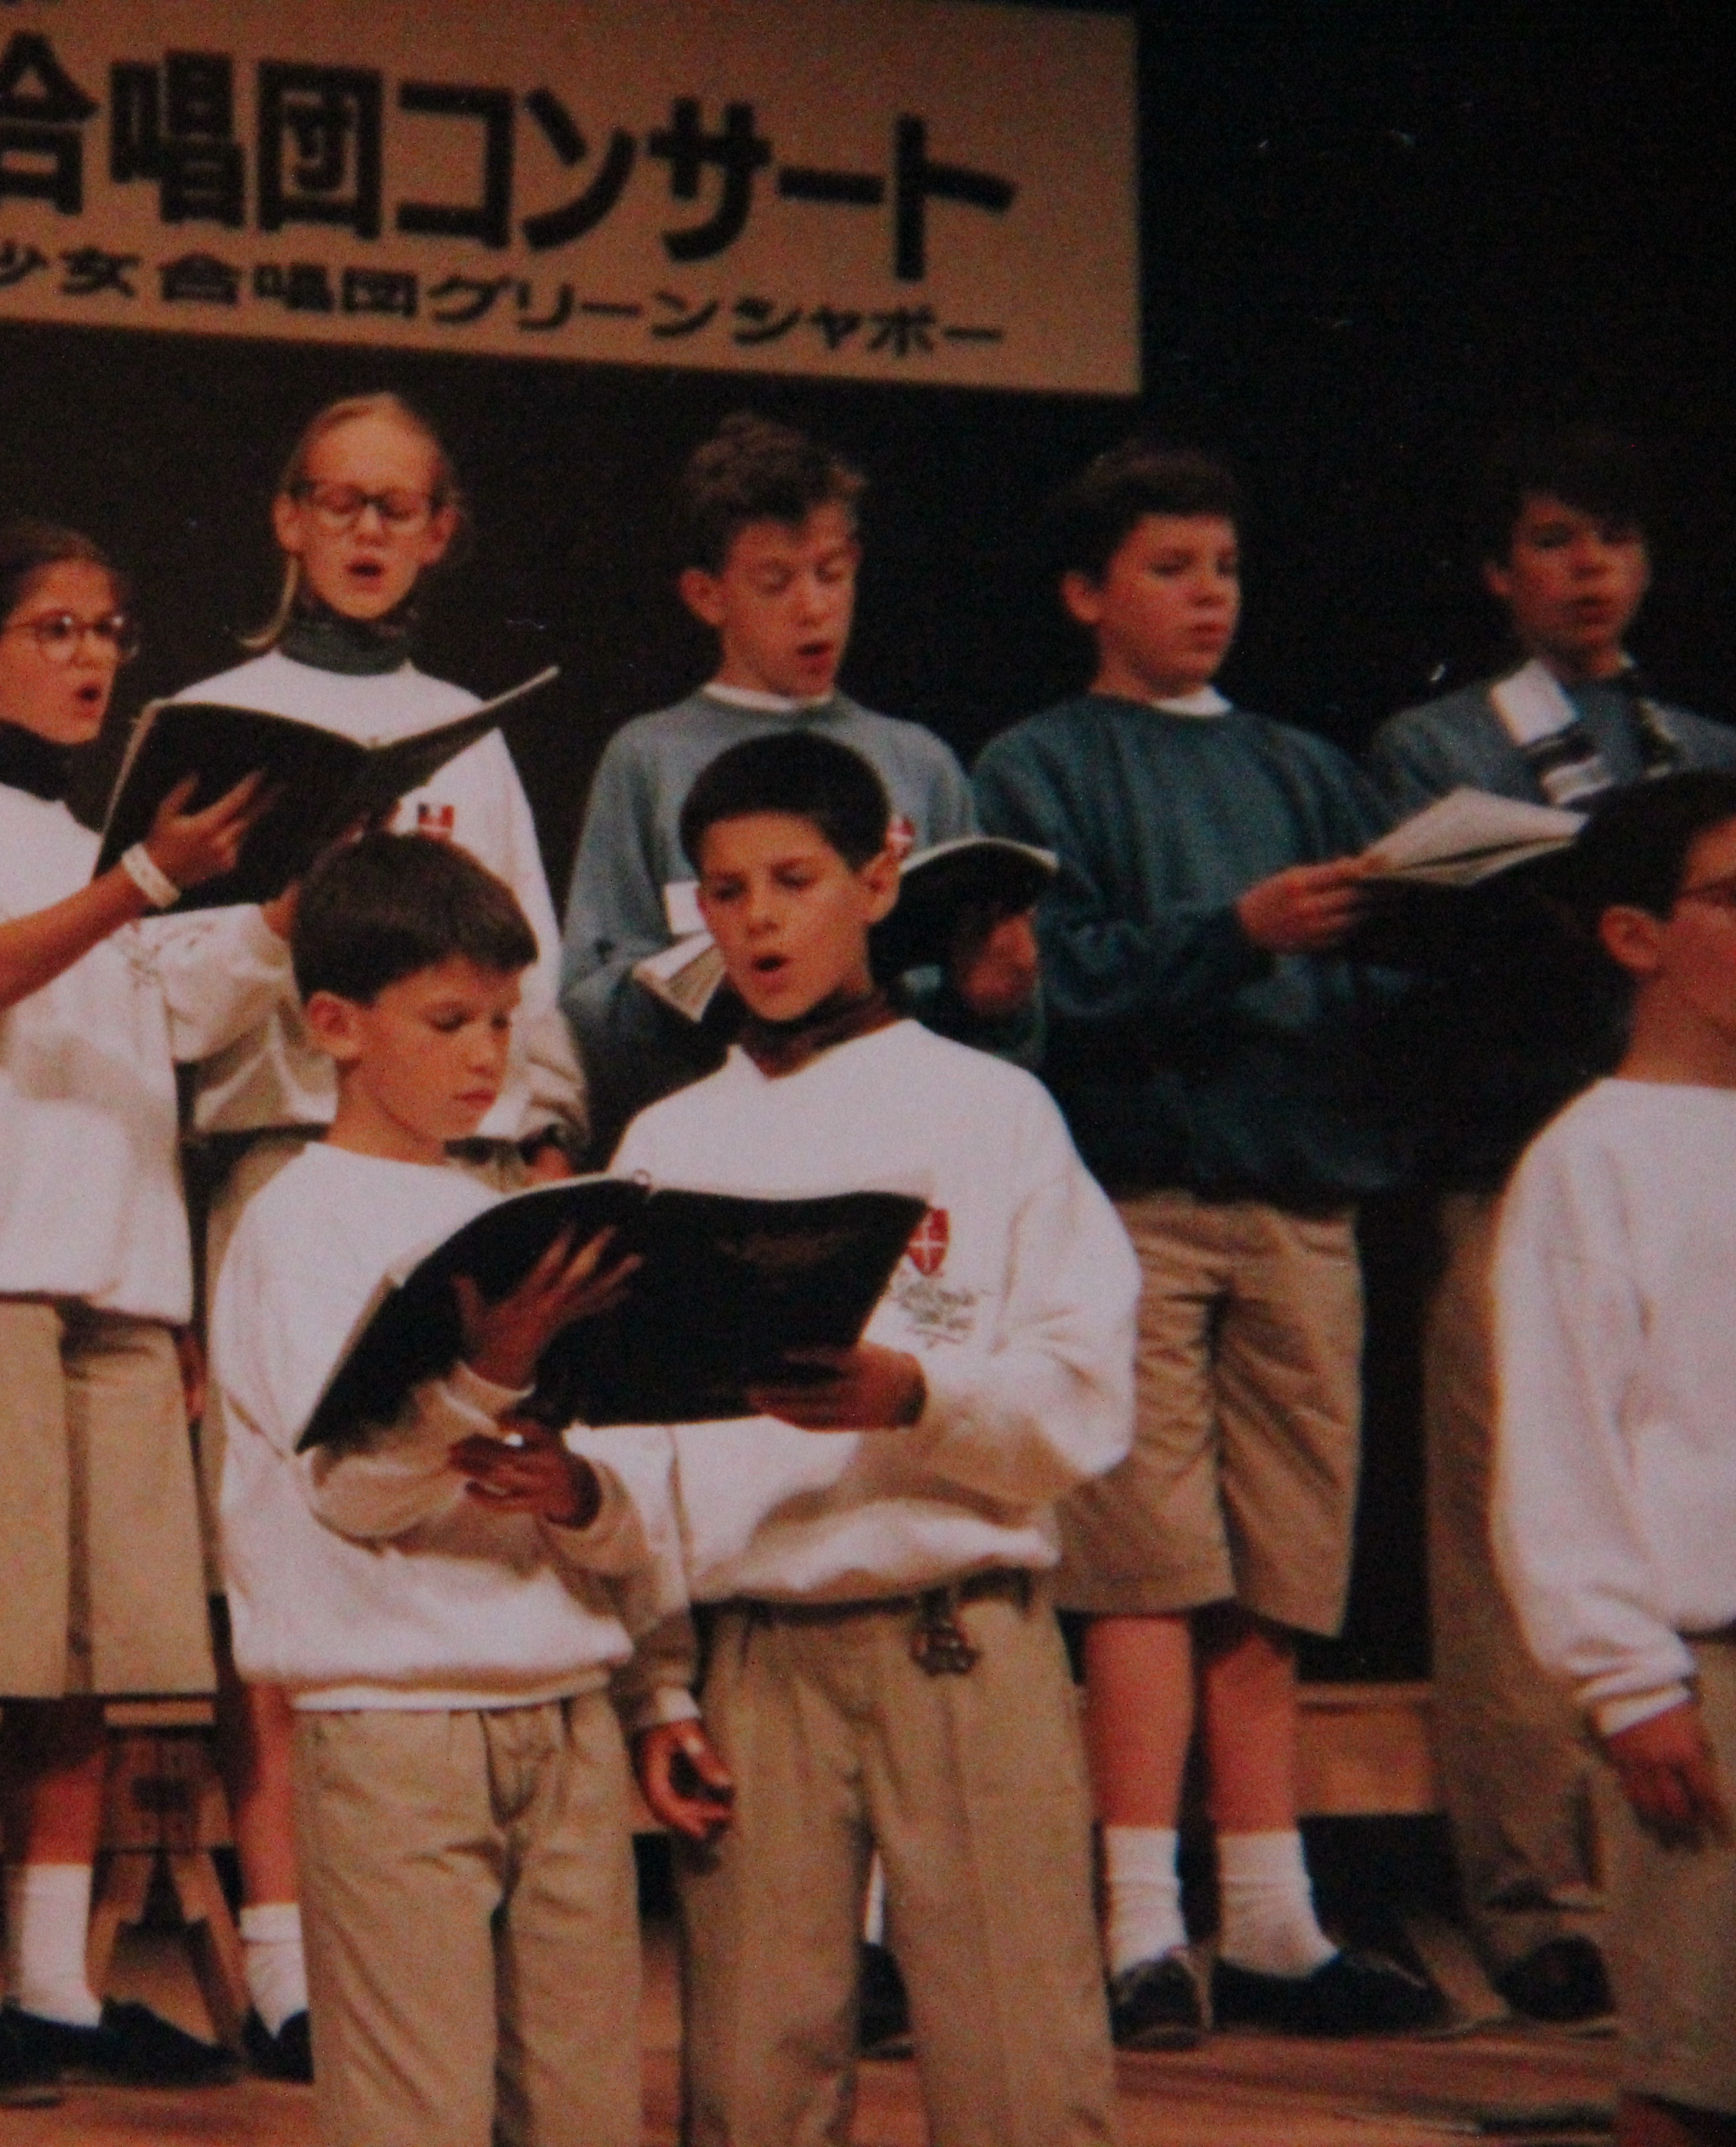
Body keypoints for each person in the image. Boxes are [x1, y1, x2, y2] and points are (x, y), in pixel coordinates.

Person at [571, 731, 1134, 2146]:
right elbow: (629, 1438)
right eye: (724, 891)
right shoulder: (665, 1143)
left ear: (877, 879)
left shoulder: (990, 1111)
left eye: (793, 880)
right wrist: (657, 1684)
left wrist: (914, 1398)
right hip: (755, 1653)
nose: (758, 921)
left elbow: (1083, 1391)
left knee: (1021, 2070)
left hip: (958, 1631)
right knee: (752, 2079)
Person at [973, 440, 1435, 2043]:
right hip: (1143, 1203)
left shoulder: (1304, 767)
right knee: (1147, 1568)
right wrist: (1235, 933)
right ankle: (1137, 1922)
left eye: (1223, 568)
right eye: (1170, 569)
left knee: (1279, 1566)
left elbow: (1381, 975)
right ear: (1086, 593)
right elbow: (1047, 980)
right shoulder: (1041, 765)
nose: (1206, 597)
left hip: (1300, 1201)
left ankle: (1273, 1916)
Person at [0, 522, 285, 2100]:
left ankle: (53, 1987)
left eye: (108, 630)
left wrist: (279, 905)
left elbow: (165, 1011)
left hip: (111, 1273)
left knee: (89, 1658)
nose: (90, 657)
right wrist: (141, 880)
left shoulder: (96, 841)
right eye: (56, 628)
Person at [168, 389, 586, 2079]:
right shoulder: (221, 719)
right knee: (295, 1539)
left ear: (438, 532)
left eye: (395, 506)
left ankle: (448, 1928)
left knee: (459, 1491)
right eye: (335, 500)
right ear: (286, 517)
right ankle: (288, 1949)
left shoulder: (465, 734)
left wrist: (542, 1141)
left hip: (459, 1161)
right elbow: (163, 993)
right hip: (282, 1146)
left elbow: (522, 963)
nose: (363, 531)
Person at [211, 829, 665, 2147]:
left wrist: (578, 1493)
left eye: (504, 1020)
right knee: (416, 2111)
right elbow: (351, 1494)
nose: (486, 1054)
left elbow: (631, 1493)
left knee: (585, 2112)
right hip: (394, 1722)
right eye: (448, 1021)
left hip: (563, 1709)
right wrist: (489, 1369)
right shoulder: (296, 1222)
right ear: (336, 1025)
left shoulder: (511, 1210)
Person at [1363, 426, 1736, 2022]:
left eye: (1615, 541)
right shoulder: (1438, 742)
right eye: (1555, 540)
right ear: (1498, 570)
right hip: (1518, 1147)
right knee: (1526, 1508)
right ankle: (1536, 1893)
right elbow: (1399, 964)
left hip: (1697, 1150)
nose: (1590, 570)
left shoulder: (1693, 743)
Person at [563, 414, 1035, 1129]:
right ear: (707, 596)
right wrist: (711, 981)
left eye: (831, 574)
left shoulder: (919, 761)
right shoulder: (649, 757)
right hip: (719, 1122)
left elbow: (998, 1030)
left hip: (896, 1124)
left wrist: (999, 1004)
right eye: (775, 582)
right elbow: (587, 997)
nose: (814, 607)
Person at [1493, 772, 1736, 2147]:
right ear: (1636, 935)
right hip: (1706, 1672)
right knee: (1694, 2064)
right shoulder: (1592, 1160)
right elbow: (1557, 1448)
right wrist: (1630, 1679)